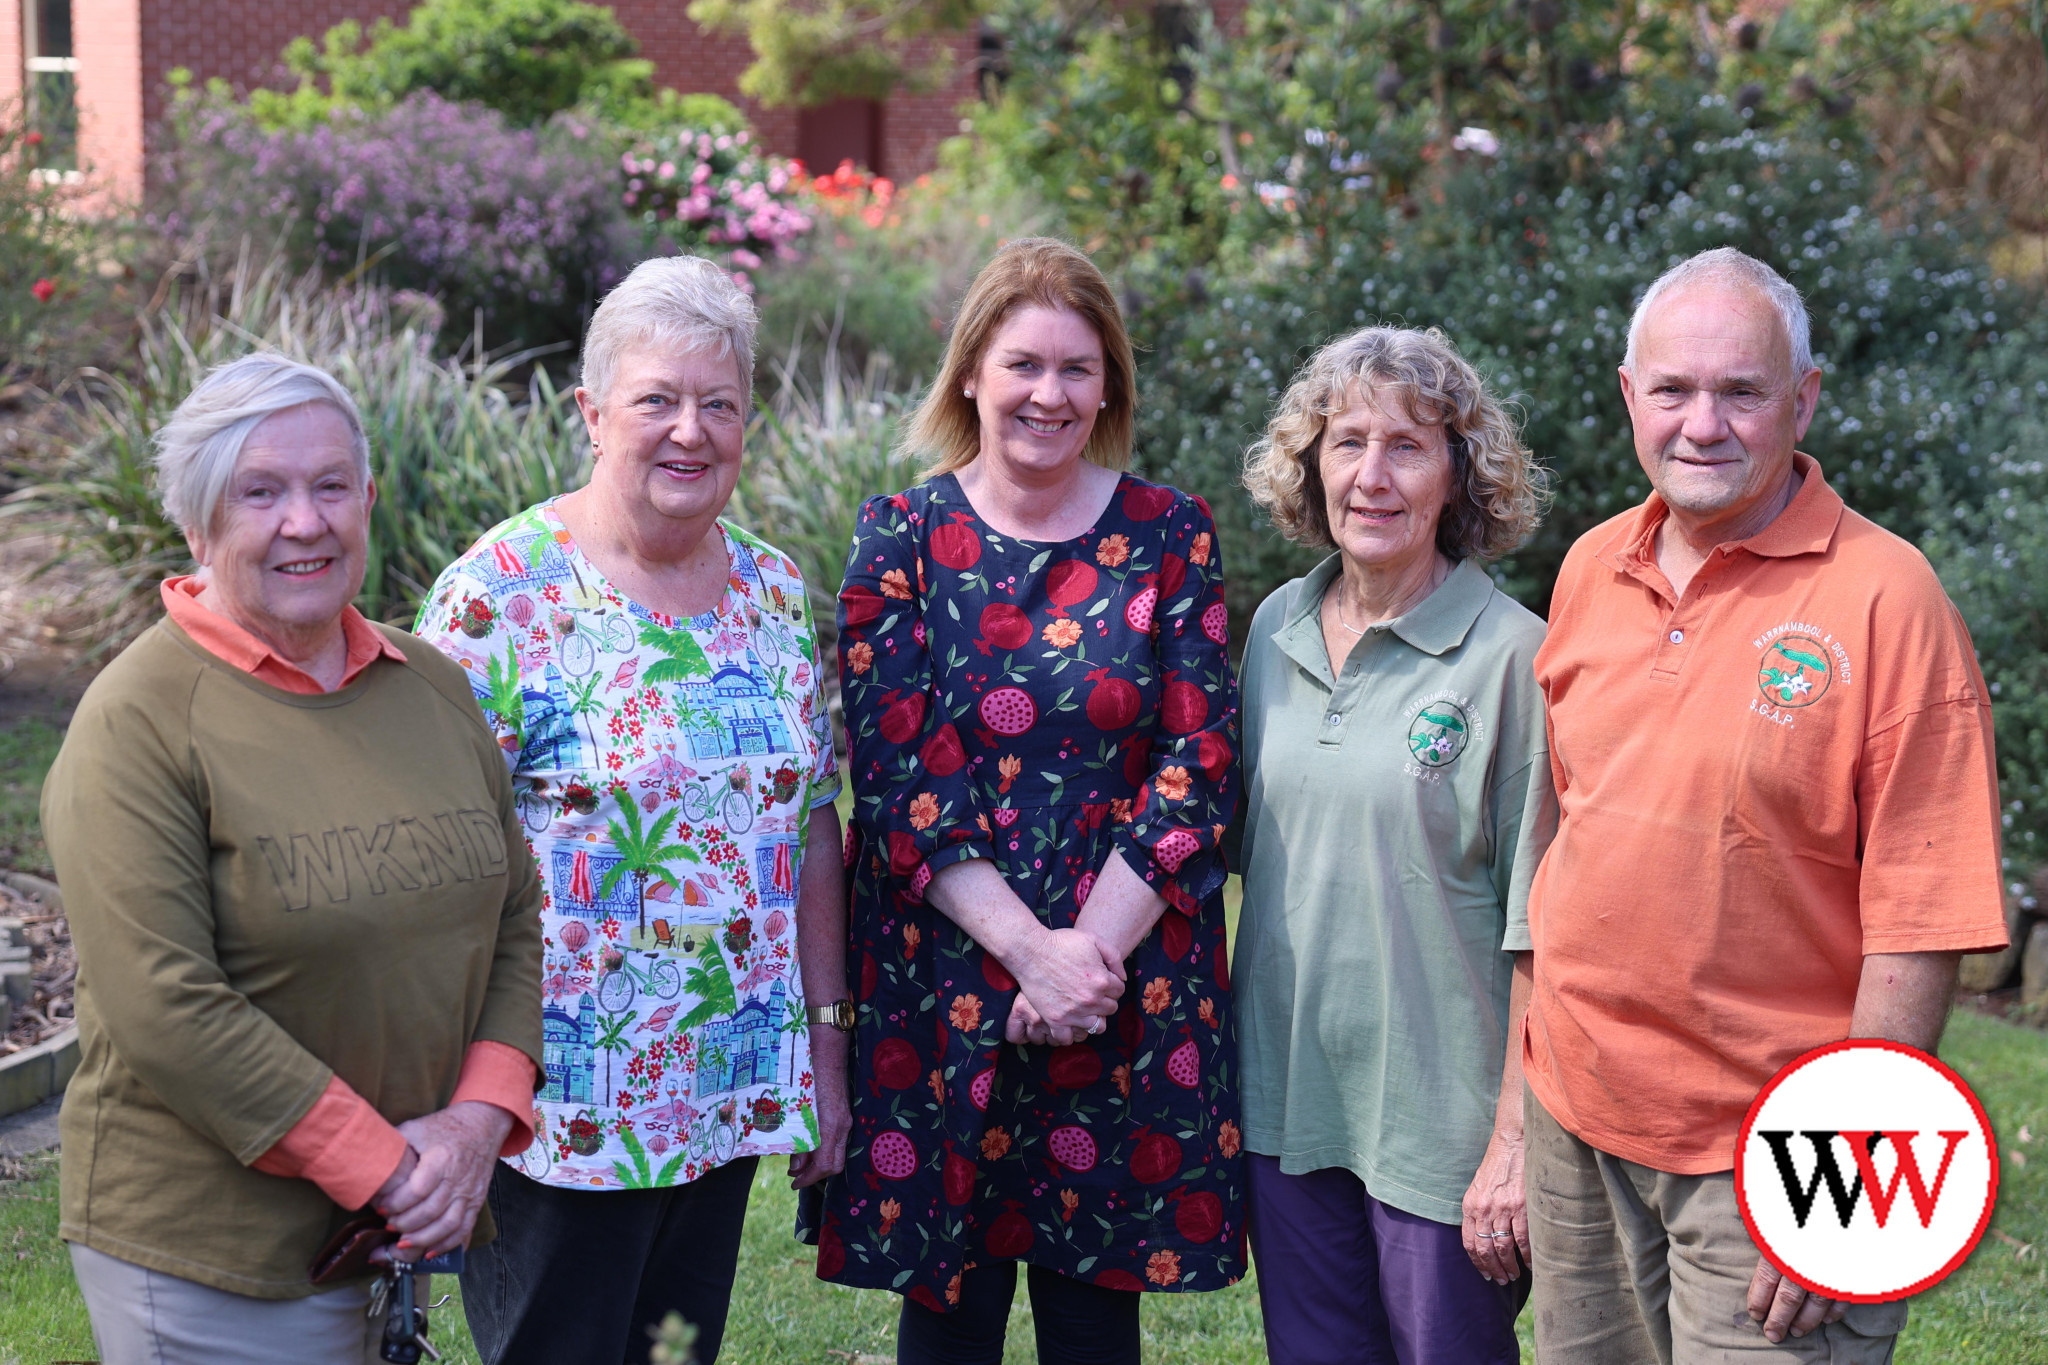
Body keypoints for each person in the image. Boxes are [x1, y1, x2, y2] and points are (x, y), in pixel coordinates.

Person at [1521, 246, 2010, 1361]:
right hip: (1578, 1127)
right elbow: (1565, 842)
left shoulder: (1888, 600)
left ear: (1802, 399)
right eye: (1672, 390)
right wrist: (1523, 1105)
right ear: (1626, 396)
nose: (1702, 424)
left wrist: (1836, 1185)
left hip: (1775, 1155)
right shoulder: (1592, 566)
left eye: (1739, 392)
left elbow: (1920, 921)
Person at [40, 353, 545, 1365]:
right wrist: (388, 1166)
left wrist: (478, 1123)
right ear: (197, 521)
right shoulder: (138, 721)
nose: (303, 522)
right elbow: (162, 1003)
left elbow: (515, 920)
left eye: (328, 487)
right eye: (259, 492)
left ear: (367, 499)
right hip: (209, 1258)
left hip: (384, 1235)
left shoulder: (431, 687)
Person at [805, 237, 1245, 1364]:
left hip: (1119, 975)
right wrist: (1023, 954)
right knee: (946, 1316)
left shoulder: (1166, 534)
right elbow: (900, 778)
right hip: (948, 974)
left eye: (1077, 370)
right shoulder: (900, 537)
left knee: (1092, 1314)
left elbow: (1196, 763)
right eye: (1022, 365)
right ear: (969, 374)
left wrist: (1080, 964)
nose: (1048, 395)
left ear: (1108, 388)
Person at [414, 254, 849, 1365]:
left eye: (719, 404)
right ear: (593, 413)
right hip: (553, 1115)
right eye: (657, 399)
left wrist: (825, 1058)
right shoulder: (498, 595)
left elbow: (806, 822)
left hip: (720, 1095)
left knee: (670, 1357)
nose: (688, 432)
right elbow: (434, 863)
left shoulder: (770, 591)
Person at [1231, 325, 1554, 1365]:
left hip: (1440, 1137)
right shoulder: (1273, 629)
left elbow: (1543, 936)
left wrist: (1512, 1145)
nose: (1371, 475)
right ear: (1308, 463)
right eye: (1346, 441)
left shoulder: (1514, 658)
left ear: (1458, 474)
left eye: (1407, 446)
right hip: (1286, 1112)